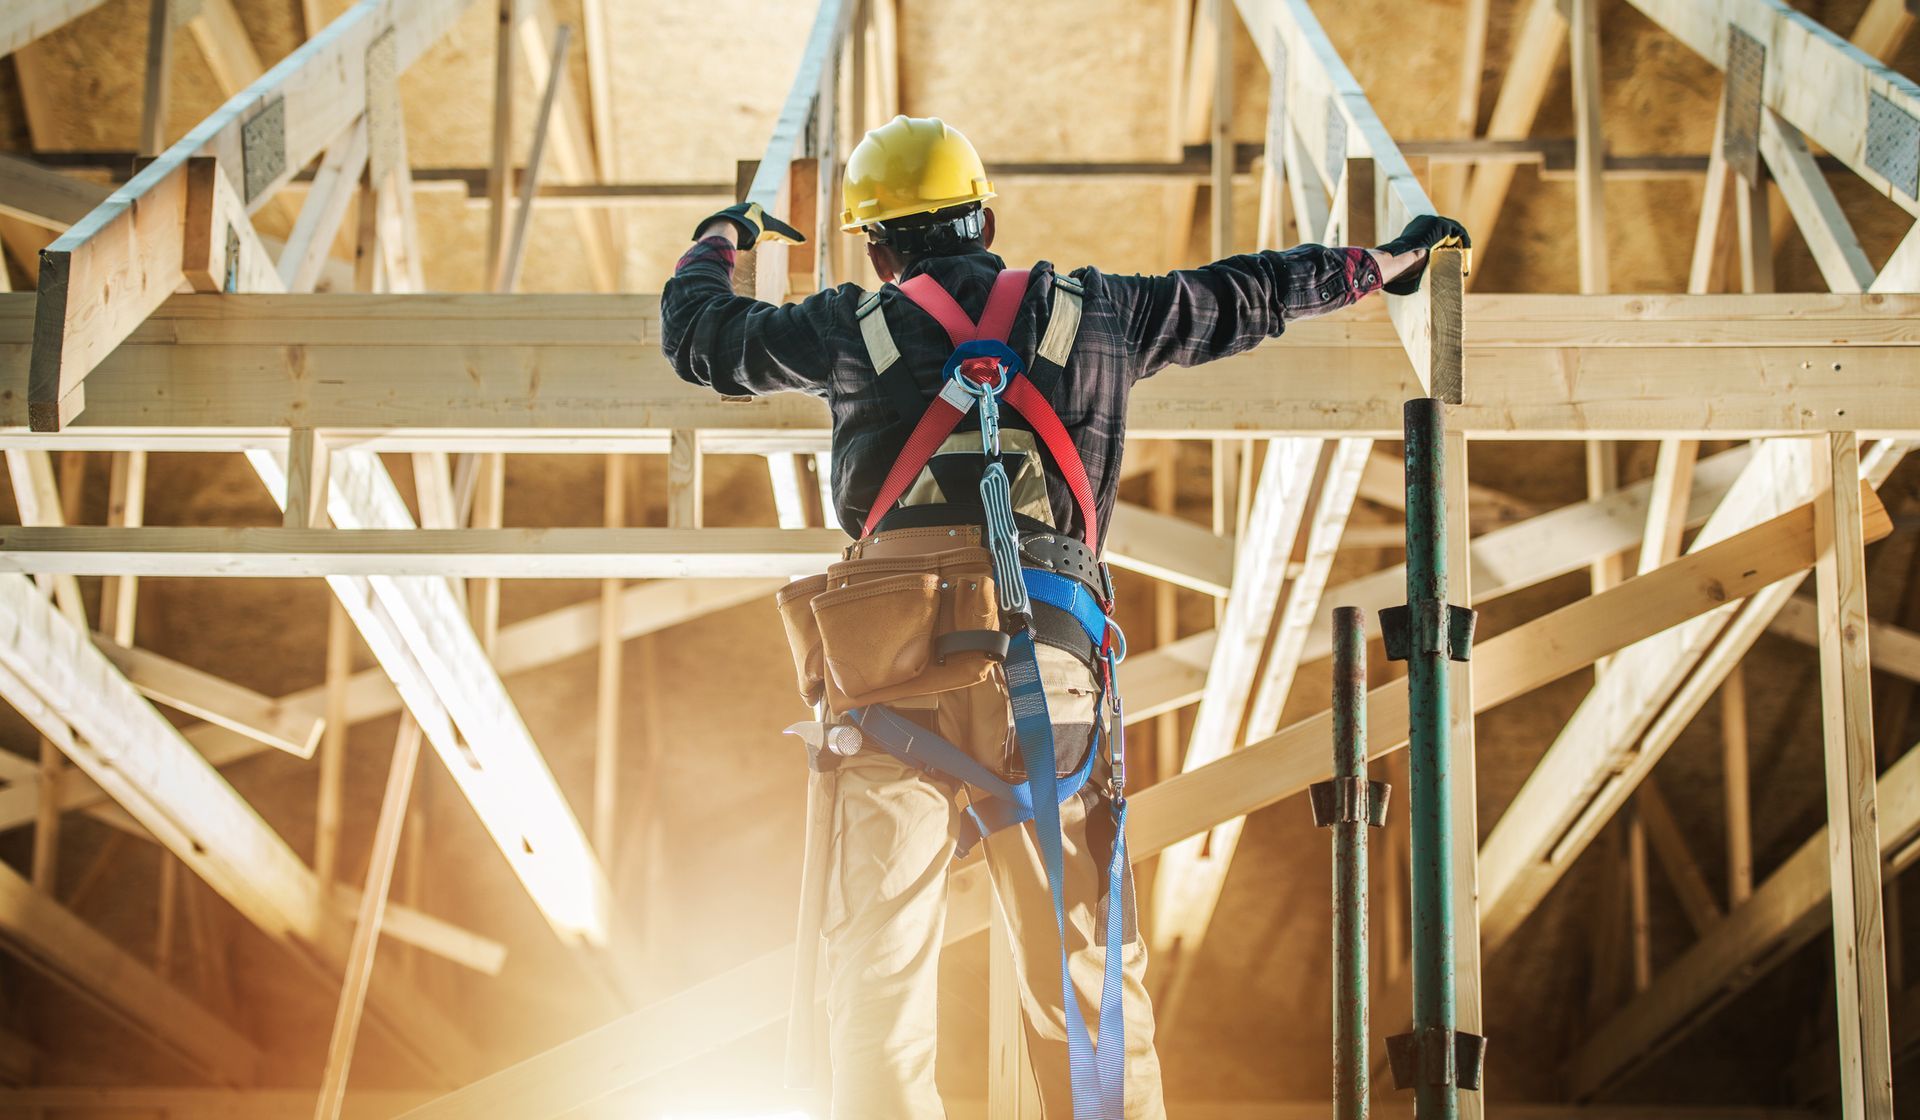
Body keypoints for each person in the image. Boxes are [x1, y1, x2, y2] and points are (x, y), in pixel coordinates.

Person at [662, 115, 1466, 1120]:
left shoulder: (845, 326)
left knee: (876, 970)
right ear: (985, 217)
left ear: (878, 243)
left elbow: (699, 339)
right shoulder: (1099, 315)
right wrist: (1381, 262)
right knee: (1083, 975)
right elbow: (1249, 293)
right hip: (1042, 675)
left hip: (883, 681)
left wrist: (720, 237)